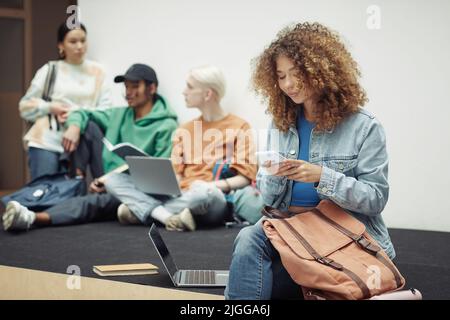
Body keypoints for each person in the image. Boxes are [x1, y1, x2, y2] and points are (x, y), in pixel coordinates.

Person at [225, 22, 395, 300]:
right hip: (291, 227)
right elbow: (268, 199)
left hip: (338, 232)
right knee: (249, 237)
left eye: (297, 73)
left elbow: (375, 198)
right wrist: (272, 173)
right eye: (281, 76)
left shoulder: (364, 127)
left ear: (322, 70)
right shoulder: (280, 122)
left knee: (274, 287)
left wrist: (321, 176)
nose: (288, 84)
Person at [2, 64, 178, 232]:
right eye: (126, 87)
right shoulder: (119, 114)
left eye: (134, 87)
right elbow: (81, 112)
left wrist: (111, 181)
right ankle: (76, 181)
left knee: (94, 203)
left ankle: (31, 217)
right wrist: (74, 127)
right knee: (88, 126)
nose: (128, 93)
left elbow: (159, 177)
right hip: (107, 176)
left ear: (152, 88)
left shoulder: (167, 125)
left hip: (133, 188)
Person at [105, 65, 257, 231]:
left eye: (190, 87)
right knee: (113, 179)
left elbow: (245, 179)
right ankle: (169, 217)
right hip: (180, 194)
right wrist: (157, 183)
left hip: (211, 197)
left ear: (207, 94)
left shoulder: (239, 127)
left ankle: (149, 212)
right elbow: (177, 175)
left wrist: (211, 186)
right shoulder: (184, 130)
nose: (184, 92)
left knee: (204, 195)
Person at [19, 22, 112, 180]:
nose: (79, 46)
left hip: (79, 144)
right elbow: (25, 107)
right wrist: (51, 107)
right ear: (61, 45)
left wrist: (76, 115)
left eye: (83, 40)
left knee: (73, 199)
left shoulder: (98, 71)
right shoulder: (50, 70)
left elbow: (106, 112)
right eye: (73, 41)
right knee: (44, 197)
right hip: (45, 141)